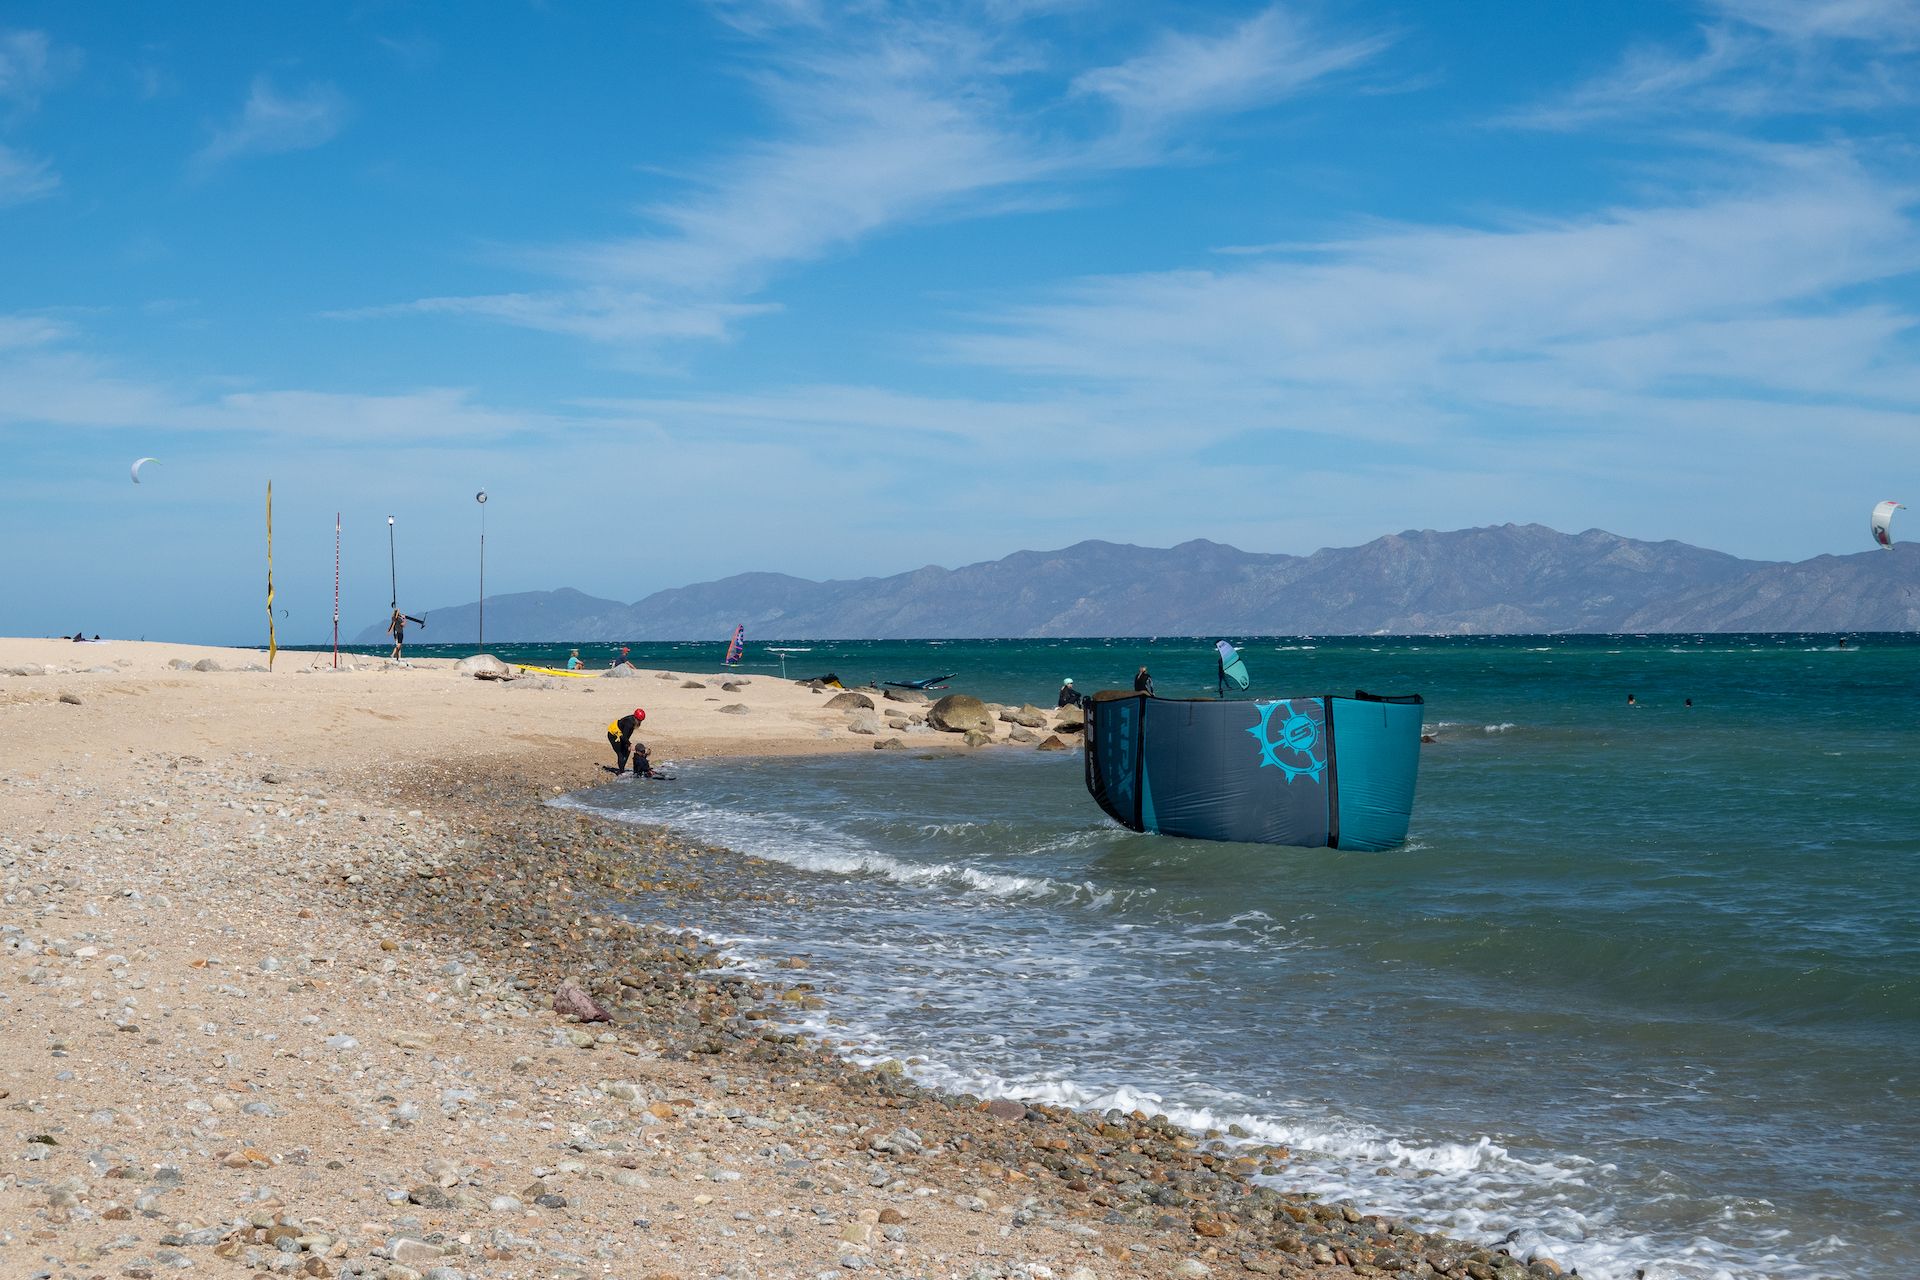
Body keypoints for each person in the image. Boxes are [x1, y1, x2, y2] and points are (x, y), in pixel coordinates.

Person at [607, 708, 647, 773]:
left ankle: (622, 768)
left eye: (641, 721)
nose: (640, 722)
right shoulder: (629, 723)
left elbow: (626, 736)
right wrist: (630, 744)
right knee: (620, 753)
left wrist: (628, 744)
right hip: (613, 735)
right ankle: (621, 772)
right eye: (639, 720)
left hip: (621, 735)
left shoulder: (634, 722)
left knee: (627, 751)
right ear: (635, 718)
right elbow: (624, 737)